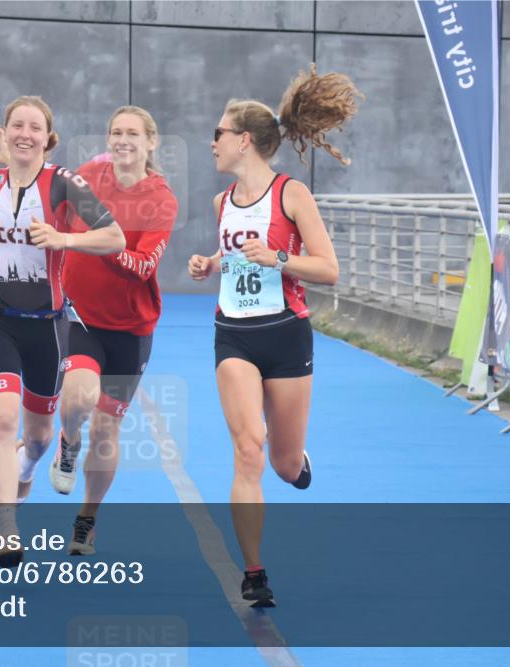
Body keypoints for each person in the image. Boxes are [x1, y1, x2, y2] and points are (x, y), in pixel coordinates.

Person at [187, 64, 360, 606]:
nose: (212, 142)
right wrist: (212, 263)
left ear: (243, 140)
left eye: (218, 132)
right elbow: (238, 253)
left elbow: (329, 269)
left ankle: (297, 464)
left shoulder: (292, 194)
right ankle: (254, 572)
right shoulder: (221, 203)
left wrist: (280, 259)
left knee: (283, 465)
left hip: (285, 335)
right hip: (233, 335)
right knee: (248, 449)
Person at [0, 107, 178, 558]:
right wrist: (4, 152)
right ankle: (68, 441)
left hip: (132, 328)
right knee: (78, 398)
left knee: (108, 429)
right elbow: (41, 180)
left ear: (151, 143)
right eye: (116, 132)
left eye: (133, 133)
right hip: (79, 316)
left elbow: (142, 266)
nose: (123, 140)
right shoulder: (89, 175)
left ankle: (87, 519)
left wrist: (91, 240)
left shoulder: (161, 199)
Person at [0, 96, 125, 567]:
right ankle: (7, 528)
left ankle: (27, 466)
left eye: (35, 127)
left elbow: (114, 237)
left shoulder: (64, 184)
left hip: (49, 328)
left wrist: (63, 237)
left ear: (48, 138)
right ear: (4, 132)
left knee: (39, 437)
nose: (25, 134)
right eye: (17, 125)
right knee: (2, 419)